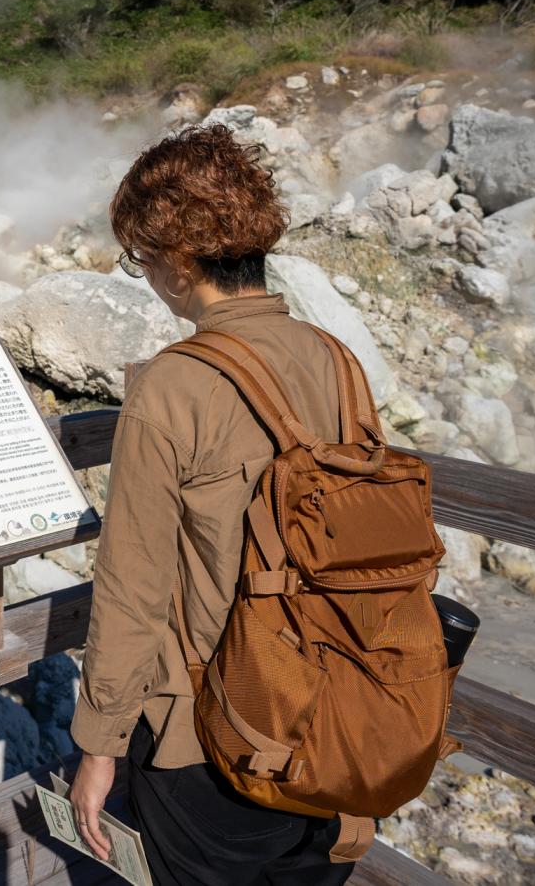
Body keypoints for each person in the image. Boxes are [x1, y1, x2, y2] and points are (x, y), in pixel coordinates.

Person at [68, 123, 358, 885]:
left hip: (215, 734)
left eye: (141, 258)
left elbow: (132, 586)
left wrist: (99, 745)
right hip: (334, 711)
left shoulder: (173, 385)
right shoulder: (337, 358)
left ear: (172, 260)